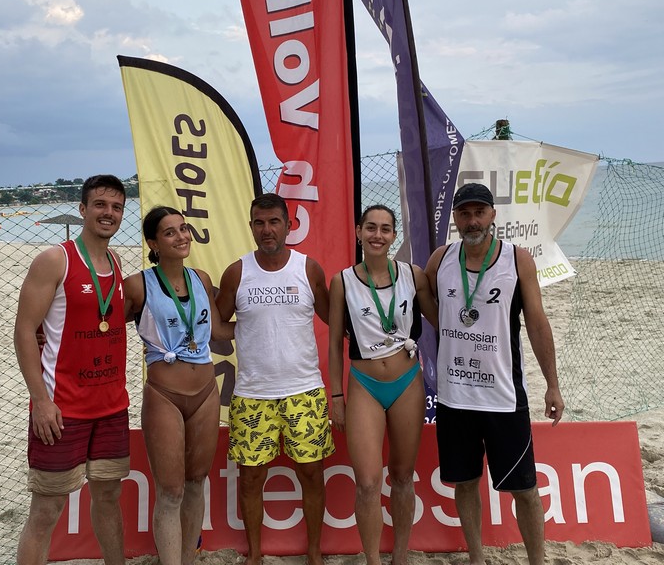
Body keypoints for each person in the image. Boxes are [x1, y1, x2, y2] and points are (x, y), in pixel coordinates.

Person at [424, 182, 565, 565]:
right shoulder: (441, 258)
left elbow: (537, 324)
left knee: (525, 488)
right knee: (465, 483)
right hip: (454, 397)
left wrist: (552, 385)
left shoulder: (518, 260)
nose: (473, 221)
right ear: (455, 218)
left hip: (503, 396)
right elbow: (420, 303)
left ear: (492, 215)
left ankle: (537, 560)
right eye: (465, 214)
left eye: (479, 212)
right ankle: (476, 558)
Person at [13, 174, 129, 565]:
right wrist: (40, 401)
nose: (108, 213)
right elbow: (25, 331)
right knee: (47, 511)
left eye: (115, 207)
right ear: (82, 209)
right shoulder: (54, 260)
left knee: (110, 498)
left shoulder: (115, 261)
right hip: (62, 409)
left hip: (111, 405)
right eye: (99, 204)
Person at [215, 193, 334, 565]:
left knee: (312, 475)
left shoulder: (308, 268)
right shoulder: (237, 272)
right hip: (252, 394)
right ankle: (255, 555)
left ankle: (314, 553)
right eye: (259, 223)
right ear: (251, 226)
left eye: (274, 222)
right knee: (251, 479)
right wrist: (249, 327)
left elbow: (335, 319)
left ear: (288, 225)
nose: (267, 230)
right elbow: (219, 327)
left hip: (304, 391)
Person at [328, 204, 437, 565]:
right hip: (364, 386)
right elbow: (332, 345)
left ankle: (401, 555)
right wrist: (337, 396)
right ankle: (373, 559)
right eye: (370, 227)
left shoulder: (413, 274)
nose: (377, 235)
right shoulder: (341, 281)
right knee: (369, 482)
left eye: (385, 229)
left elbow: (440, 318)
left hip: (407, 382)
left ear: (394, 235)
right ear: (358, 231)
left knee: (403, 476)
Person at [123, 206, 233, 565]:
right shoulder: (138, 284)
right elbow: (101, 324)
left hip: (205, 393)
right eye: (170, 232)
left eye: (184, 229)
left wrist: (268, 318)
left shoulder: (200, 278)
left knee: (195, 483)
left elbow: (217, 331)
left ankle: (189, 558)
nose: (182, 236)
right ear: (154, 243)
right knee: (170, 492)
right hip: (164, 395)